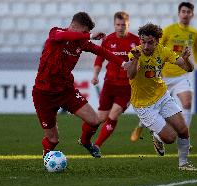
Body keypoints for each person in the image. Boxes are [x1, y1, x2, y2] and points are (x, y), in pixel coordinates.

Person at [32, 12, 127, 159]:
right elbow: (63, 36)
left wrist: (123, 63)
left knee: (94, 121)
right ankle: (47, 158)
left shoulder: (81, 42)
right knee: (53, 139)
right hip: (43, 94)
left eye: (88, 33)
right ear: (75, 26)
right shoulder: (56, 33)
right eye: (85, 31)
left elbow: (101, 51)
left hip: (66, 91)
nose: (86, 34)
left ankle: (85, 141)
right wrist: (89, 36)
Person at [130, 2, 197, 154]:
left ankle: (183, 135)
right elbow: (158, 51)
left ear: (192, 14)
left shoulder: (195, 34)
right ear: (179, 13)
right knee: (154, 106)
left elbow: (196, 52)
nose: (185, 14)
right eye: (183, 11)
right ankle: (155, 130)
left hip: (180, 75)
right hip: (162, 75)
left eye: (188, 12)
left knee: (187, 102)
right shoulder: (168, 31)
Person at [122, 23, 197, 171]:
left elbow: (188, 68)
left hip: (162, 96)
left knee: (183, 130)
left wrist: (187, 59)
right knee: (170, 138)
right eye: (143, 42)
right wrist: (136, 60)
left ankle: (183, 164)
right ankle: (157, 135)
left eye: (150, 42)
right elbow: (130, 74)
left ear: (157, 41)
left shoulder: (164, 51)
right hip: (143, 105)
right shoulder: (135, 53)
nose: (145, 46)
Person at [89, 11, 140, 150]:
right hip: (109, 84)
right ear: (114, 24)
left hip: (126, 86)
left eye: (123, 24)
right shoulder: (108, 40)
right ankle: (85, 139)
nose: (120, 27)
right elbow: (100, 58)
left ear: (128, 24)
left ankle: (97, 145)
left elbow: (140, 65)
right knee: (100, 117)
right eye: (118, 24)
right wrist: (95, 75)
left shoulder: (136, 42)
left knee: (114, 113)